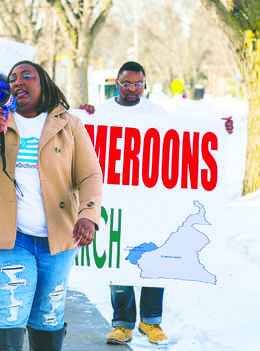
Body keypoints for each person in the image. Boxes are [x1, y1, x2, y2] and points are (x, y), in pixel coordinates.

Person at [0, 60, 103, 350]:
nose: (18, 82)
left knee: (48, 318)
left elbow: (90, 175)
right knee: (10, 315)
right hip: (6, 240)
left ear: (43, 83)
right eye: (12, 78)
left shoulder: (69, 124)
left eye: (27, 76)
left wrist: (87, 215)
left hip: (58, 239)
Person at [95, 61, 168, 346]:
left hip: (150, 201)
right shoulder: (101, 111)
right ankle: (123, 323)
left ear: (145, 84)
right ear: (116, 82)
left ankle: (151, 322)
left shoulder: (157, 114)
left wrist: (220, 129)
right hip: (114, 198)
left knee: (153, 259)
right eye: (126, 83)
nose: (132, 89)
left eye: (138, 84)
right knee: (117, 260)